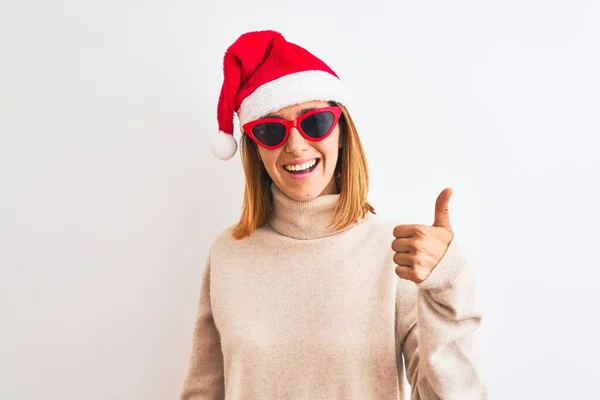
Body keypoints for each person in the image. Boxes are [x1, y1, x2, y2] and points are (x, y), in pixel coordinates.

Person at [180, 30, 487, 400]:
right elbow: (202, 392)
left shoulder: (397, 252)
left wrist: (447, 283)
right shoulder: (228, 252)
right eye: (270, 130)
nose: (295, 145)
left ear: (341, 131)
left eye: (315, 122)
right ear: (255, 149)